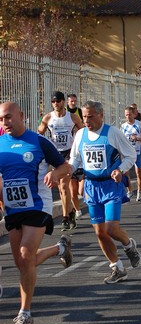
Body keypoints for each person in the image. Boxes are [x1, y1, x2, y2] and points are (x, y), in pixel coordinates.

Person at [0, 101, 73, 324]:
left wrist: (54, 172)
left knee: (25, 255)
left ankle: (25, 314)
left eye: (9, 117)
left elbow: (66, 167)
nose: (5, 123)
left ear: (21, 115)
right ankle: (59, 249)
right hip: (12, 209)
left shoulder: (39, 141)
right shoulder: (0, 144)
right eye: (1, 119)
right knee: (22, 263)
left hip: (38, 206)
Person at [69, 100, 141, 284]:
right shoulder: (80, 135)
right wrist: (68, 171)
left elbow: (131, 154)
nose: (86, 120)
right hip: (92, 187)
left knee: (111, 228)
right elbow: (75, 159)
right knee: (100, 233)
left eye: (90, 116)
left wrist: (121, 170)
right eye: (84, 116)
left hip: (110, 186)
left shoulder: (113, 132)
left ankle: (128, 245)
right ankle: (117, 268)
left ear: (101, 115)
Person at [38, 91, 84, 231]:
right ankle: (70, 212)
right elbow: (38, 135)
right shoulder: (47, 118)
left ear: (63, 102)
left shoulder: (73, 117)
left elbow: (83, 133)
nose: (56, 104)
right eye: (53, 102)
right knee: (60, 188)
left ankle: (65, 219)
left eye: (58, 101)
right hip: (53, 154)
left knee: (64, 186)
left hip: (68, 154)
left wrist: (78, 146)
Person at [121, 106, 141, 201]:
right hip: (127, 153)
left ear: (134, 114)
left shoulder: (139, 125)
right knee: (126, 172)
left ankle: (139, 191)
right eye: (126, 115)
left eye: (129, 115)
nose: (128, 117)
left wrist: (137, 138)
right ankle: (130, 191)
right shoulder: (123, 126)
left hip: (137, 152)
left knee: (138, 172)